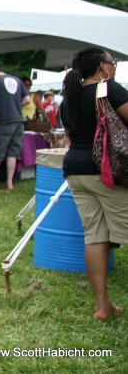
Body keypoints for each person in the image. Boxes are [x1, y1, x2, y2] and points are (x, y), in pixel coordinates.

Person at [59, 47, 128, 320]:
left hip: (75, 171)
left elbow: (71, 133)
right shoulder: (107, 88)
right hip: (107, 170)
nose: (115, 66)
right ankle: (103, 306)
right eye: (113, 62)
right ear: (102, 66)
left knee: (95, 235)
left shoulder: (69, 99)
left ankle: (102, 306)